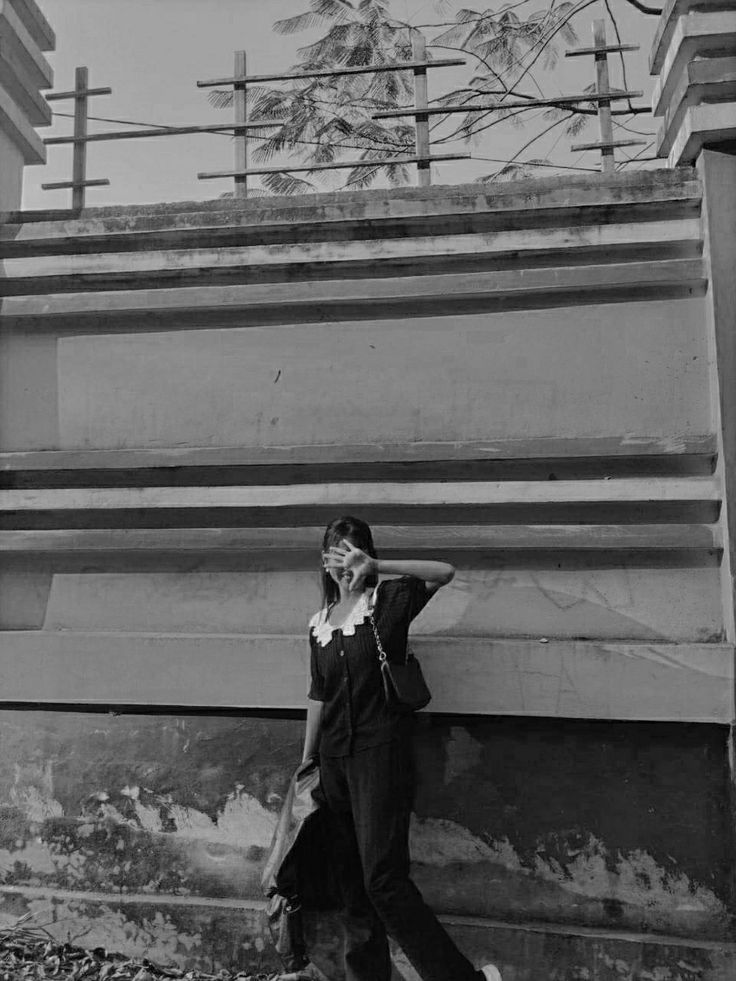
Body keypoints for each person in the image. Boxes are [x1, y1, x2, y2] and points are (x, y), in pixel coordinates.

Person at [301, 515, 503, 981]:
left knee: (383, 881)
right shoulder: (319, 625)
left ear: (364, 555)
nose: (343, 564)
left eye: (352, 552)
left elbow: (444, 572)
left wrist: (377, 565)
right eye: (335, 554)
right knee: (352, 885)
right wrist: (305, 763)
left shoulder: (388, 602)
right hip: (332, 763)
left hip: (380, 756)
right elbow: (317, 695)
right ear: (323, 562)